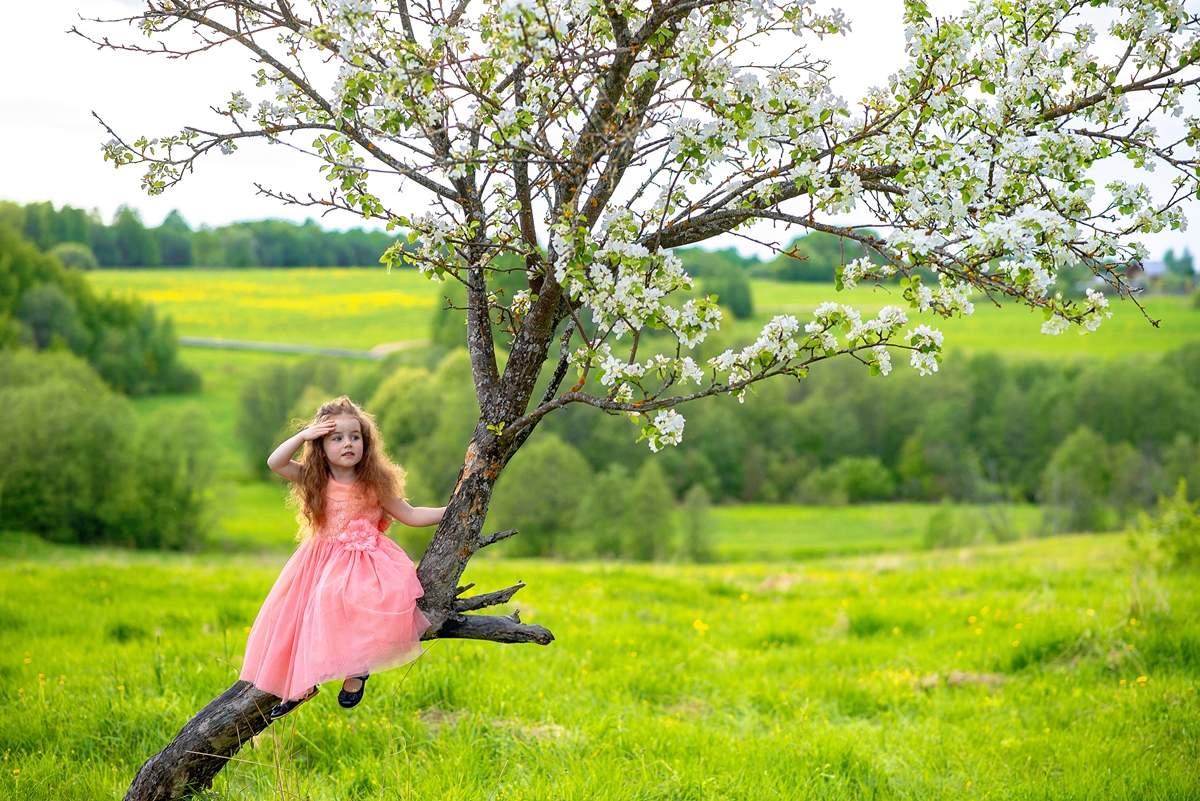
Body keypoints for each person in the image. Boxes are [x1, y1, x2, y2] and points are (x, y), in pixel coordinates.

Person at [239, 395, 446, 720]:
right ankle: (300, 685)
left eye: (355, 436)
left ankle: (357, 669)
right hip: (318, 561)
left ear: (366, 442)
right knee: (300, 617)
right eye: (336, 438)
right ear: (321, 445)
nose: (347, 443)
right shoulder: (314, 477)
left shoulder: (375, 484)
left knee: (343, 602)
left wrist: (453, 510)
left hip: (365, 561)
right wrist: (304, 435)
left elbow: (411, 514)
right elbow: (275, 463)